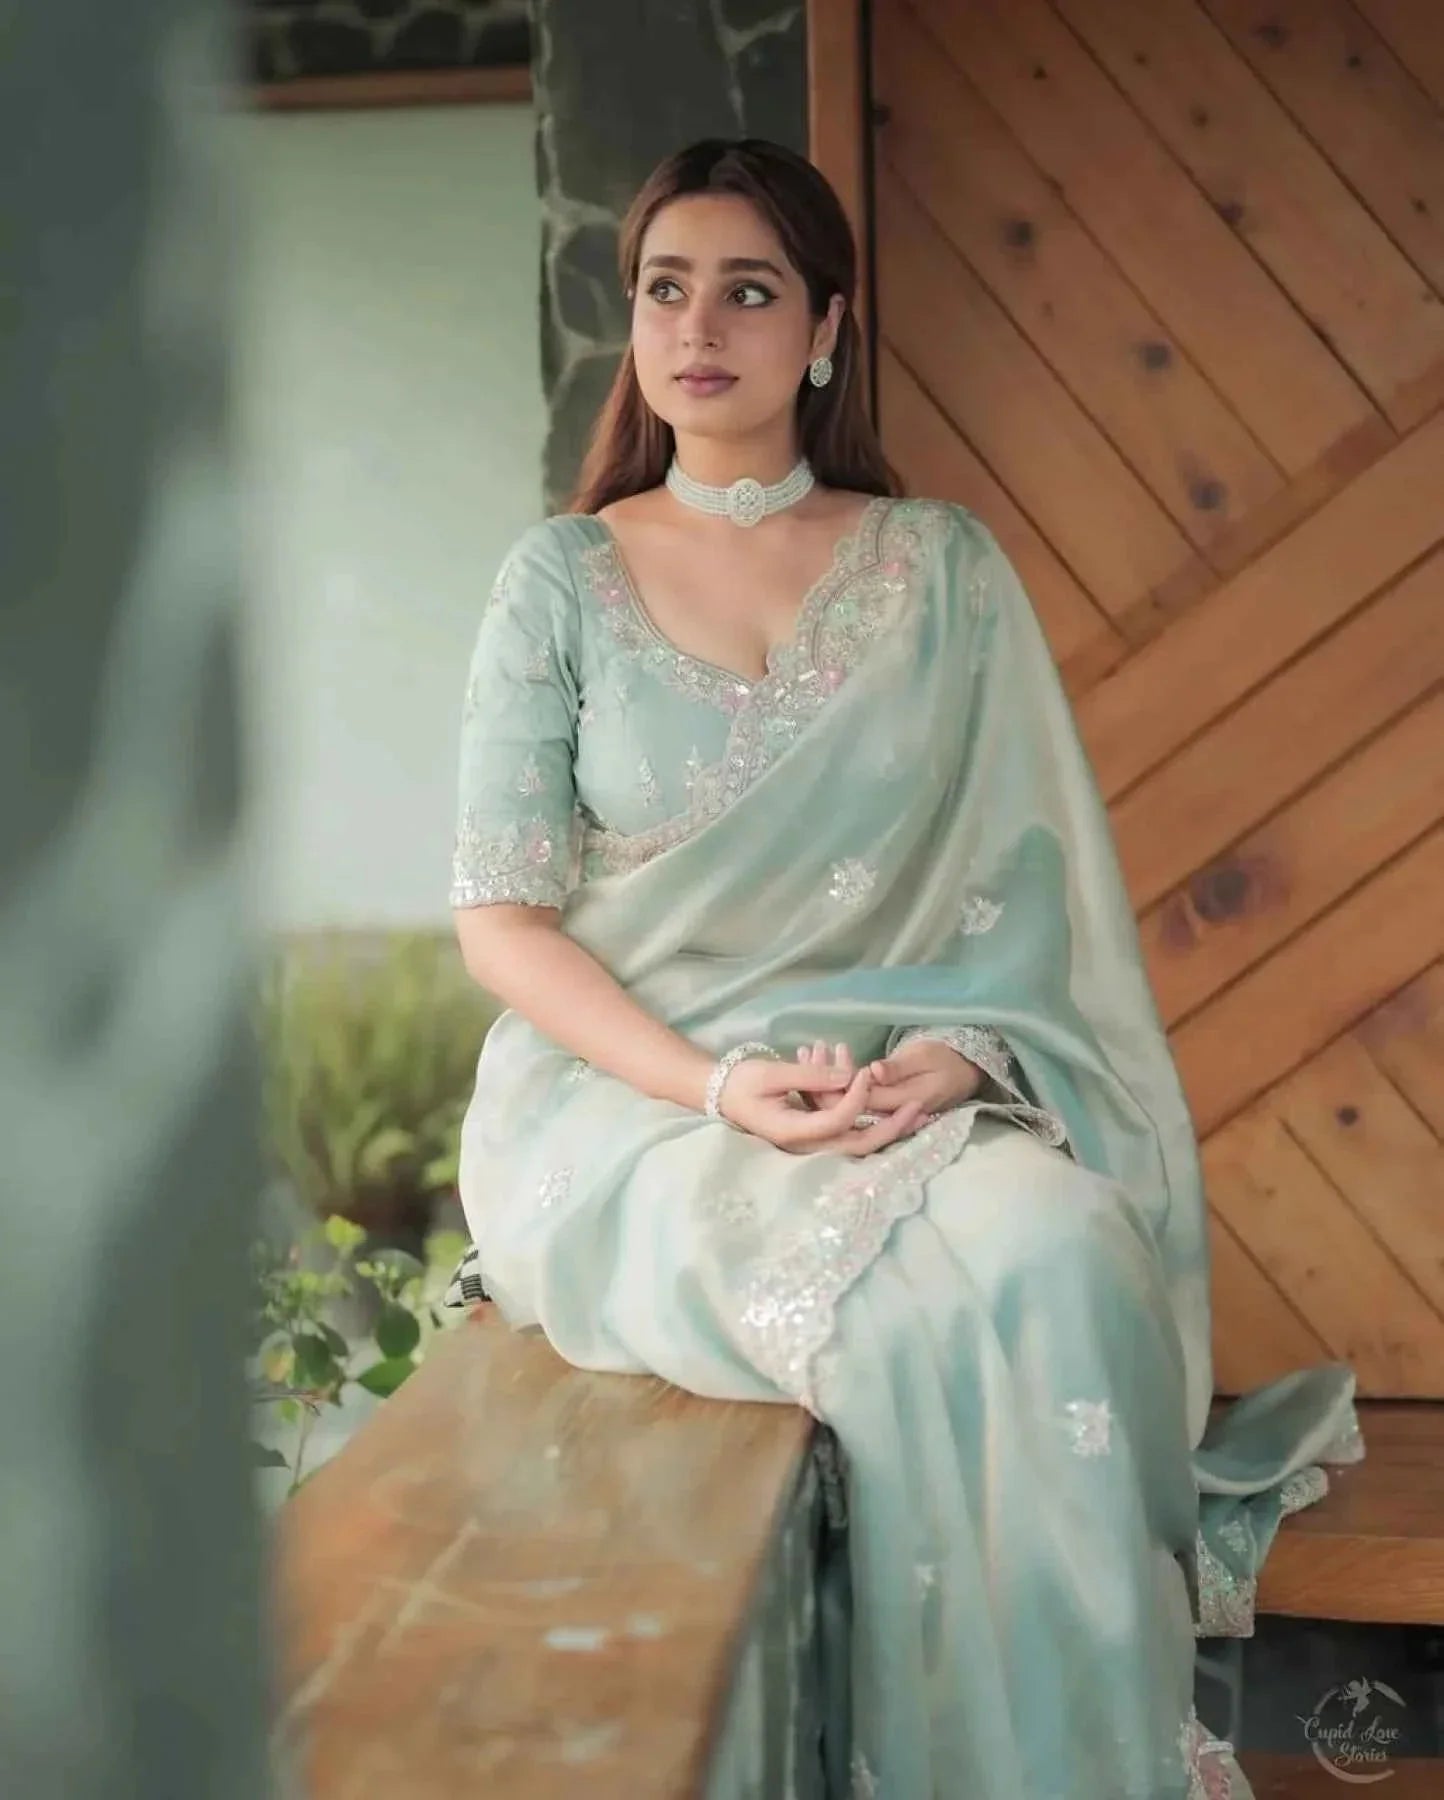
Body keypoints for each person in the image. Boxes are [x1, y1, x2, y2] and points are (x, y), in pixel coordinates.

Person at [442, 137, 1362, 1799]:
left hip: (888, 1087)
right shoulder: (558, 582)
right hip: (638, 1111)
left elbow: (1023, 915)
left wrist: (968, 1061)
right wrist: (719, 1085)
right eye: (665, 288)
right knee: (910, 1311)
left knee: (1070, 1245)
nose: (699, 324)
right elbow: (501, 920)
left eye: (749, 288)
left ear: (825, 327)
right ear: (633, 323)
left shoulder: (938, 570)